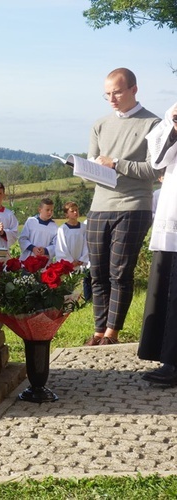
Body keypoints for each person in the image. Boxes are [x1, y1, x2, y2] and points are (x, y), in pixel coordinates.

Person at [84, 68, 161, 346]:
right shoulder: (99, 124)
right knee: (97, 273)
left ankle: (112, 333)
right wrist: (85, 168)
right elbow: (94, 162)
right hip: (98, 206)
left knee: (119, 272)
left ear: (134, 90)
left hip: (133, 206)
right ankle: (97, 330)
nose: (112, 99)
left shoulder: (154, 124)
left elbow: (154, 169)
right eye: (107, 94)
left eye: (116, 92)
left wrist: (116, 163)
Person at [138, 102, 177, 384]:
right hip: (173, 219)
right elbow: (157, 161)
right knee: (170, 293)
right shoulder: (171, 114)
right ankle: (171, 361)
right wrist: (174, 127)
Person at [55, 201, 92, 301]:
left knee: (81, 284)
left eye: (76, 210)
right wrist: (71, 261)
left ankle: (83, 302)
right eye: (72, 211)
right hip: (69, 264)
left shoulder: (84, 228)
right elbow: (62, 247)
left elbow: (86, 244)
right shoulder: (62, 229)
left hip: (80, 263)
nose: (75, 213)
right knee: (69, 286)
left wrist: (82, 259)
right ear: (66, 214)